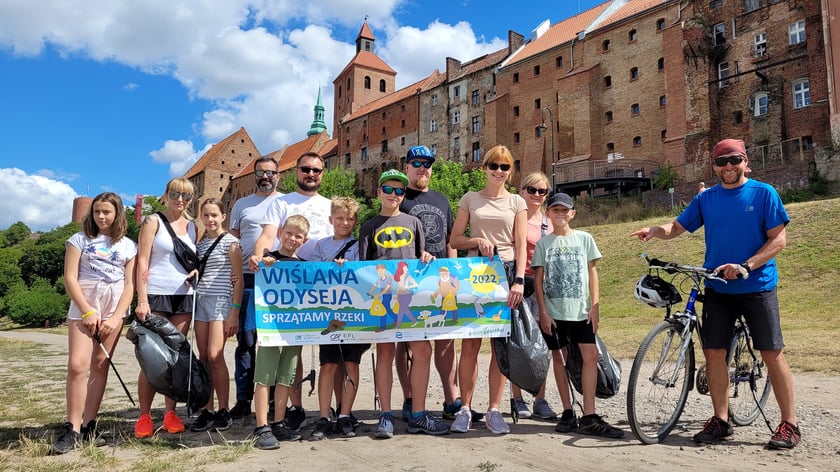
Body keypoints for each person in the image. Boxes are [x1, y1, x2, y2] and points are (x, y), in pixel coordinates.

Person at [630, 138, 799, 449]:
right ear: (714, 166)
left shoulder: (764, 194)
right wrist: (656, 231)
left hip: (756, 285)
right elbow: (678, 227)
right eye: (722, 162)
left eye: (734, 160)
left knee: (772, 353)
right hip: (717, 286)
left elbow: (779, 240)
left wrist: (746, 265)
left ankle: (789, 424)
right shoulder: (707, 199)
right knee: (713, 353)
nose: (728, 167)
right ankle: (721, 420)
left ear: (746, 161)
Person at [359, 169, 448, 438]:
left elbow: (421, 256)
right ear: (379, 193)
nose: (394, 195)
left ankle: (418, 413)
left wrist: (428, 258)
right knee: (385, 354)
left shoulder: (414, 222)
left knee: (422, 352)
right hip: (385, 299)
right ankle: (385, 414)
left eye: (399, 191)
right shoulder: (369, 226)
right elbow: (362, 269)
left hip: (409, 296)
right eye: (388, 189)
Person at [49, 192, 137, 454]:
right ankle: (72, 428)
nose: (101, 216)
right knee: (77, 365)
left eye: (107, 212)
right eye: (97, 211)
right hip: (84, 305)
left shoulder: (128, 245)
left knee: (100, 365)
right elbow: (70, 278)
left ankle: (89, 425)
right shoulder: (79, 240)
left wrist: (116, 316)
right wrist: (87, 311)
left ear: (117, 214)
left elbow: (130, 283)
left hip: (114, 308)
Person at [251, 152, 333, 431]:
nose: (311, 174)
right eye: (306, 168)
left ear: (323, 173)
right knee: (290, 347)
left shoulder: (329, 204)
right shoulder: (281, 202)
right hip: (286, 283)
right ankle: (293, 407)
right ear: (296, 171)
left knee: (325, 348)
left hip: (321, 284)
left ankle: (324, 409)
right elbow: (267, 235)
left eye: (316, 170)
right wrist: (259, 256)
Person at [533, 192, 624, 438]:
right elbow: (539, 280)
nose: (560, 214)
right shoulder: (543, 244)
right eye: (555, 210)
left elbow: (592, 273)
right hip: (554, 311)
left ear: (573, 213)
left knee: (590, 356)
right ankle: (566, 410)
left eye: (565, 210)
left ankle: (590, 413)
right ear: (548, 214)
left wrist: (595, 305)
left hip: (581, 310)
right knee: (559, 358)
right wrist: (542, 311)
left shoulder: (585, 239)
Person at [450, 145, 527, 435]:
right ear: (484, 168)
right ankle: (465, 408)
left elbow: (520, 245)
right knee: (470, 345)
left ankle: (495, 409)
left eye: (504, 167)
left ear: (510, 172)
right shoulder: (470, 199)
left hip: (505, 273)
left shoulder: (517, 202)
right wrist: (477, 240)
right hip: (476, 274)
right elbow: (456, 239)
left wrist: (519, 280)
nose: (499, 171)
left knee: (500, 348)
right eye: (493, 166)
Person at [400, 145, 462, 421]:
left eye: (427, 164)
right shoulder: (399, 197)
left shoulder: (441, 200)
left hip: (439, 276)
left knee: (446, 341)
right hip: (411, 279)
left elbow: (450, 240)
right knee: (409, 345)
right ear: (407, 168)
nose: (423, 168)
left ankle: (451, 398)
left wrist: (453, 267)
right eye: (417, 163)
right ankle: (409, 397)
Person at [134, 177, 197, 438]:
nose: (179, 199)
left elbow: (193, 258)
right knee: (151, 359)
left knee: (175, 359)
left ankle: (170, 413)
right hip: (156, 294)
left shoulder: (194, 226)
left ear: (191, 199)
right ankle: (145, 415)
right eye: (174, 193)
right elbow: (142, 261)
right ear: (166, 194)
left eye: (185, 196)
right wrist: (142, 299)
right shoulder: (153, 221)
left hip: (183, 296)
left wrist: (196, 270)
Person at [308, 196, 370, 440]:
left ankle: (345, 414)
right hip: (328, 314)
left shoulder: (359, 246)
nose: (345, 222)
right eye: (340, 218)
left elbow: (365, 272)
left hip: (353, 314)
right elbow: (309, 273)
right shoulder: (321, 246)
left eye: (350, 218)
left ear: (355, 221)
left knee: (352, 363)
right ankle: (324, 416)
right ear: (331, 220)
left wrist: (349, 267)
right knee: (328, 365)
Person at [229, 156, 284, 420]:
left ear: (279, 176)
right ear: (254, 175)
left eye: (271, 172)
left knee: (274, 340)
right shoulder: (242, 204)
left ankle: (273, 398)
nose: (266, 176)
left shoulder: (285, 202)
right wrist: (232, 271)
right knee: (247, 339)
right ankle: (243, 399)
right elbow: (233, 243)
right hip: (249, 278)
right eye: (261, 172)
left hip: (277, 279)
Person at [250, 215, 310, 450]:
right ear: (280, 232)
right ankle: (261, 425)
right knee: (265, 376)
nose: (293, 239)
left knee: (286, 377)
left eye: (298, 236)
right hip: (271, 328)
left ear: (305, 240)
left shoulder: (305, 266)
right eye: (289, 233)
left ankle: (278, 422)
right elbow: (254, 263)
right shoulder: (269, 259)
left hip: (294, 329)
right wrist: (259, 261)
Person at [189, 198, 243, 432]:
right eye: (206, 215)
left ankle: (223, 409)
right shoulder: (200, 245)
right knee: (202, 357)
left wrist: (235, 313)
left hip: (221, 302)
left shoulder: (231, 243)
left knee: (215, 355)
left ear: (223, 217)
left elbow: (239, 280)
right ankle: (207, 409)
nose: (210, 220)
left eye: (214, 215)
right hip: (201, 301)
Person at [511, 172, 559, 421]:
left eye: (542, 191)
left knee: (543, 347)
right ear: (522, 191)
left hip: (543, 289)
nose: (537, 195)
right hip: (519, 285)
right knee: (518, 345)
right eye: (532, 190)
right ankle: (516, 398)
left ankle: (540, 398)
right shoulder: (514, 218)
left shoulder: (549, 221)